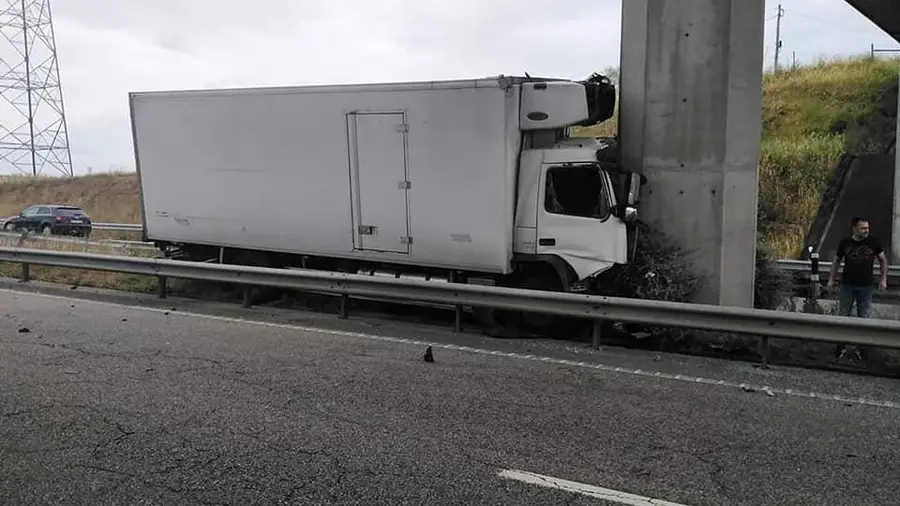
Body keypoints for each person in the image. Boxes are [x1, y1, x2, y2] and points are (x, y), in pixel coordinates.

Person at [826, 216, 889, 359]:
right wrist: (831, 279)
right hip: (847, 285)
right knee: (843, 317)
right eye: (863, 228)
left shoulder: (873, 242)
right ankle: (840, 348)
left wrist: (883, 279)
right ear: (854, 228)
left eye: (867, 228)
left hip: (866, 286)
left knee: (864, 318)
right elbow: (836, 262)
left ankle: (862, 350)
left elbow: (883, 260)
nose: (866, 231)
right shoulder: (845, 243)